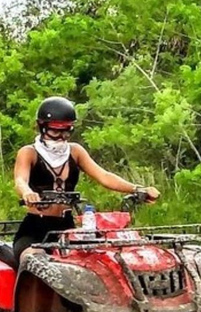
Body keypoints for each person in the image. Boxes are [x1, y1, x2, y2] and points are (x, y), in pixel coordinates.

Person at [13, 96, 160, 263]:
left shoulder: (75, 151)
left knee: (91, 264)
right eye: (55, 131)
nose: (61, 137)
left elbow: (104, 176)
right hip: (34, 228)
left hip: (66, 226)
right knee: (34, 261)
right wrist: (28, 193)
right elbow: (20, 180)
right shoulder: (28, 152)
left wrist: (138, 189)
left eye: (66, 131)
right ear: (42, 127)